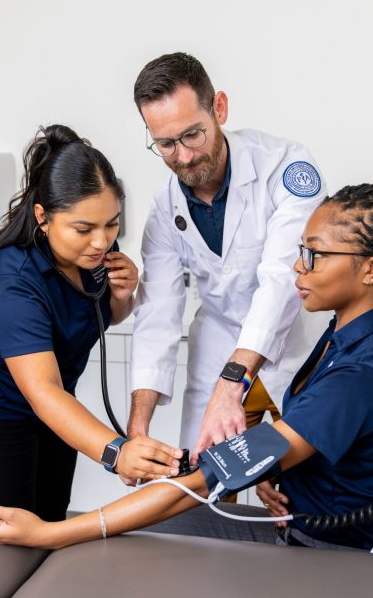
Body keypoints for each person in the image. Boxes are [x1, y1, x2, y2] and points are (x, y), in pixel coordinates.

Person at [0, 184, 373, 551]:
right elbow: (314, 435)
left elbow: (201, 483)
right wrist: (279, 466)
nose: (297, 267)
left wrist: (51, 532)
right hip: (302, 523)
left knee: (139, 530)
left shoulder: (360, 373)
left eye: (314, 254)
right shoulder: (354, 336)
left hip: (315, 550)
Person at [0, 125, 182, 522]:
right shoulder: (12, 280)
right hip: (0, 411)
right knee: (17, 520)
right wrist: (116, 453)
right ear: (43, 217)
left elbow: (102, 315)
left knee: (53, 513)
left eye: (112, 223)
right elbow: (42, 390)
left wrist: (122, 295)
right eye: (84, 229)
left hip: (59, 402)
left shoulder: (96, 254)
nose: (102, 241)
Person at [127, 52, 329, 464]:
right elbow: (157, 315)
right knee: (201, 483)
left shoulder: (286, 167)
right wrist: (137, 430)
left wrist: (233, 378)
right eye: (165, 144)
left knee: (309, 482)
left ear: (219, 108)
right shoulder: (164, 209)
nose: (182, 157)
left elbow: (281, 279)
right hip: (218, 343)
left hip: (299, 346)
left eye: (192, 135)